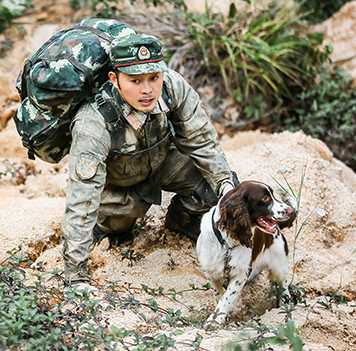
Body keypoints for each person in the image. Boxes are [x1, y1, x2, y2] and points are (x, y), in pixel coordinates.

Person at [62, 32, 238, 286]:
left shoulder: (172, 86)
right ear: (115, 79)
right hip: (119, 180)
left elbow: (203, 142)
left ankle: (181, 220)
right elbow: (82, 200)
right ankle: (112, 221)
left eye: (154, 78)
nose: (147, 90)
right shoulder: (93, 123)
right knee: (117, 228)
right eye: (135, 81)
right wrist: (75, 276)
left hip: (165, 158)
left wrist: (226, 186)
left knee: (218, 187)